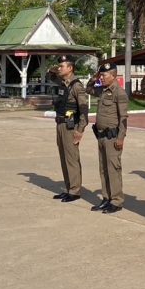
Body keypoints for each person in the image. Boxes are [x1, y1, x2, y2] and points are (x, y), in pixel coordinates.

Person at [86, 60, 128, 213]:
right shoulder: (102, 90)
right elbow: (88, 89)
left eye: (104, 75)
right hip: (101, 136)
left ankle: (116, 201)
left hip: (113, 138)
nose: (102, 78)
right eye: (101, 75)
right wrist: (94, 77)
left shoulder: (119, 93)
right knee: (103, 169)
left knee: (113, 169)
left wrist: (121, 138)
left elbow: (123, 118)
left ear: (113, 76)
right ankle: (106, 198)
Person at [48, 54, 88, 203]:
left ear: (70, 68)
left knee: (71, 159)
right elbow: (49, 75)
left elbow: (83, 109)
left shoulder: (76, 86)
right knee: (64, 158)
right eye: (59, 66)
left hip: (71, 127)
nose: (59, 68)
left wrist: (80, 130)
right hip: (60, 124)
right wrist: (55, 68)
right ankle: (68, 188)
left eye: (62, 66)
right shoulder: (62, 82)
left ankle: (75, 191)